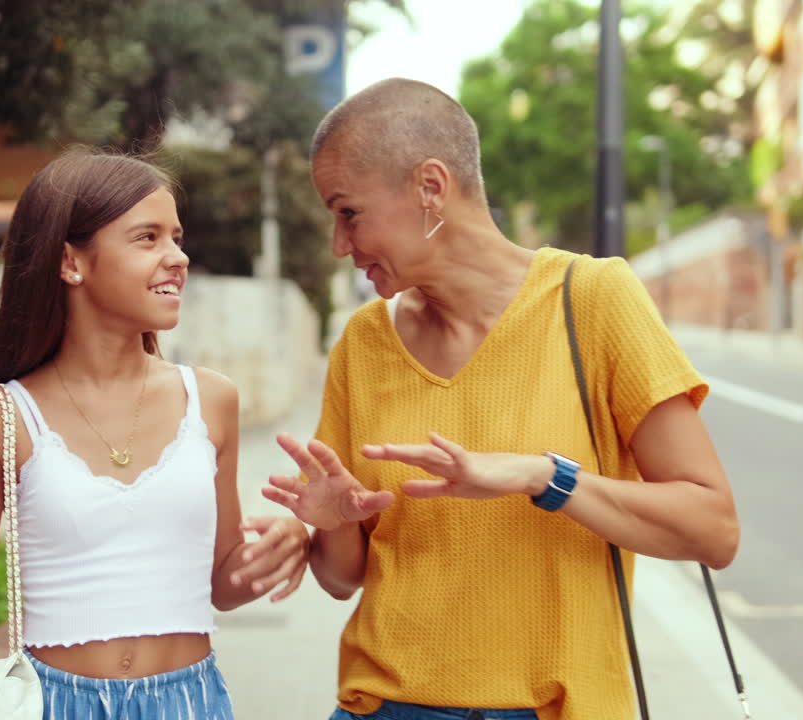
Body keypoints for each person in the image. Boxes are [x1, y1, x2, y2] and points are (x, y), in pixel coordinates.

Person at [261, 79, 740, 720]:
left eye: (348, 213)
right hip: (386, 707)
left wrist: (545, 477)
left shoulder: (594, 300)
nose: (338, 245)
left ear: (431, 188)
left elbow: (714, 530)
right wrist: (333, 520)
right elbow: (343, 578)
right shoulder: (363, 343)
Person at [0, 148, 310, 720]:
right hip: (52, 705)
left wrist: (289, 543)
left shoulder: (212, 400)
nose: (178, 257)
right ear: (71, 262)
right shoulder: (0, 417)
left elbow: (222, 582)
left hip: (190, 703)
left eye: (176, 237)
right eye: (147, 238)